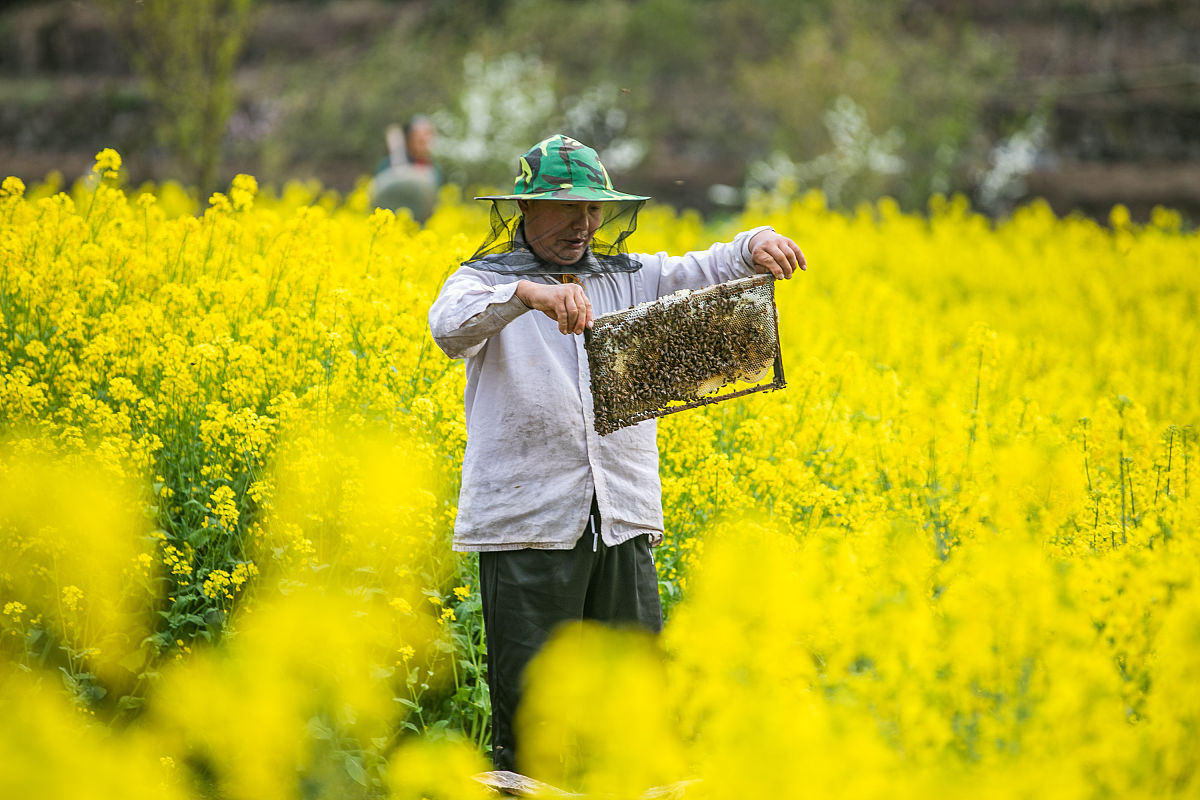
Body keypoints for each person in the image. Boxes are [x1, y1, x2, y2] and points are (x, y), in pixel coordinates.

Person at [428, 134, 805, 773]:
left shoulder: (628, 277)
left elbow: (709, 268)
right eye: (568, 209)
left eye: (594, 210)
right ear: (525, 209)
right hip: (527, 528)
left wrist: (754, 242)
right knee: (535, 729)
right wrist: (530, 297)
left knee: (635, 713)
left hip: (621, 520)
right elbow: (449, 326)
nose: (584, 224)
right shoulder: (481, 282)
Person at [369, 115, 441, 223]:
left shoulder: (434, 171)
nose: (423, 139)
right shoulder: (388, 165)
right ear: (408, 138)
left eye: (427, 134)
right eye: (417, 135)